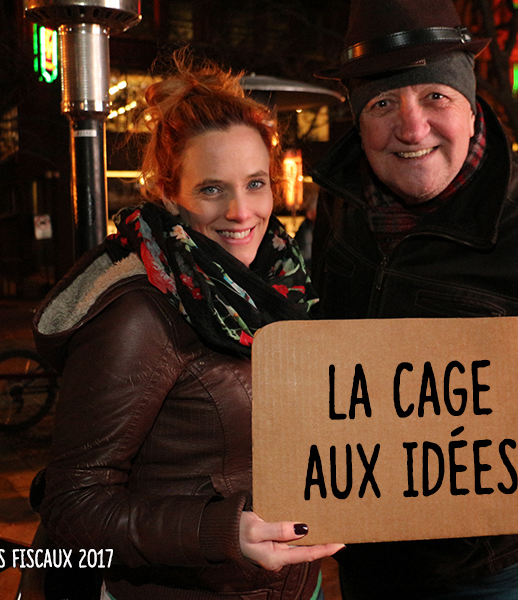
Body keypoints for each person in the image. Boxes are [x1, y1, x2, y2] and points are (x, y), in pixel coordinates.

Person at [310, 0, 518, 598]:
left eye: (435, 96)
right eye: (382, 104)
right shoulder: (340, 203)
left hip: (480, 574)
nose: (412, 128)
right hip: (358, 552)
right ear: (357, 121)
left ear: (470, 106)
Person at [32, 53, 343, 600]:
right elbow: (71, 506)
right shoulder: (141, 312)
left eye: (255, 183)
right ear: (167, 191)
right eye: (211, 189)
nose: (241, 211)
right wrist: (219, 532)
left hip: (293, 587)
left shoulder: (277, 286)